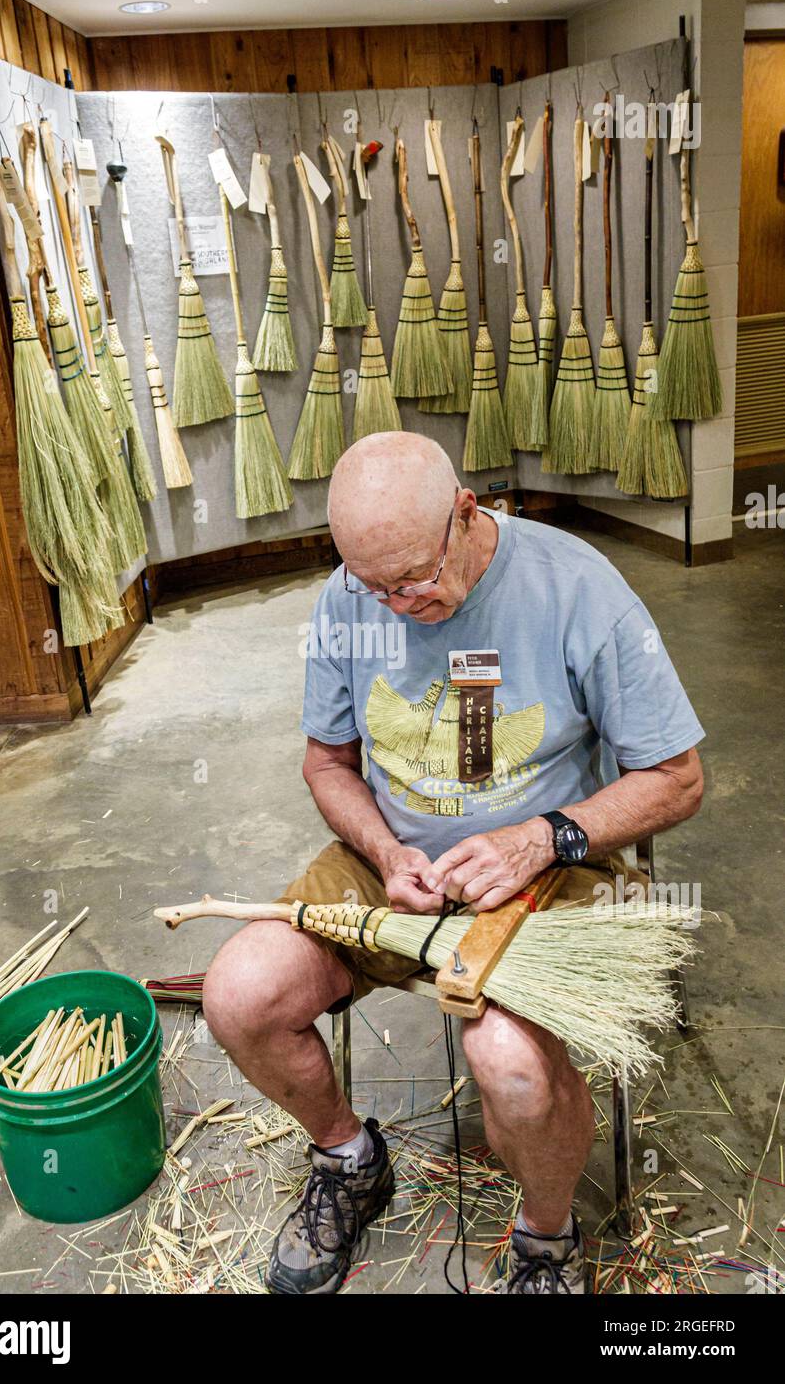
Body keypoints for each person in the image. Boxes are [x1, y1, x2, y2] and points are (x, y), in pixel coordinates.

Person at [203, 433, 704, 1295]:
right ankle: (350, 1158)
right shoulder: (349, 598)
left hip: (551, 866)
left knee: (509, 1063)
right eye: (375, 587)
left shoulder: (578, 589)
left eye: (415, 580)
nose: (396, 605)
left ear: (467, 514)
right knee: (240, 994)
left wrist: (541, 837)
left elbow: (679, 777)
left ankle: (545, 1239)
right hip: (396, 864)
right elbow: (327, 764)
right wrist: (386, 849)